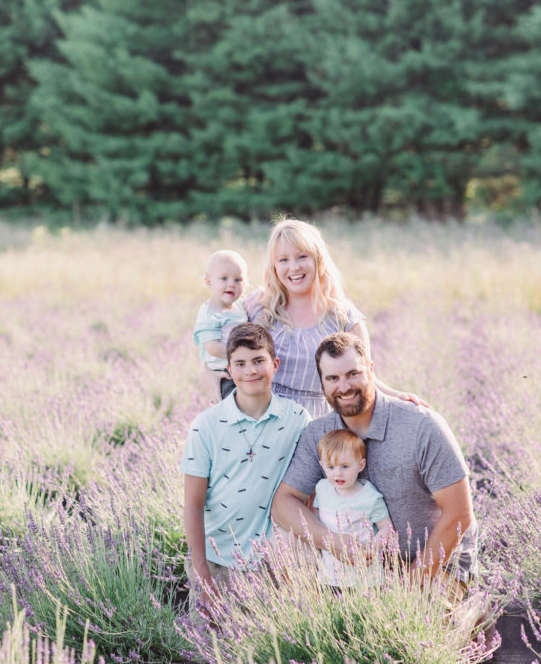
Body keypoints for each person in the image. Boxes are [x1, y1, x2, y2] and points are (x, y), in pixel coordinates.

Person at [272, 332, 477, 604]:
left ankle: (472, 614)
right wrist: (330, 541)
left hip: (430, 561)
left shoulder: (421, 425)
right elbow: (283, 503)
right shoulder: (318, 433)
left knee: (411, 634)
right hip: (353, 566)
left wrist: (416, 581)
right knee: (284, 547)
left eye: (352, 374)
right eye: (332, 378)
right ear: (321, 383)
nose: (343, 387)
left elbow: (459, 513)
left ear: (370, 369)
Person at [180, 323, 311, 620]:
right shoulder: (206, 426)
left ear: (274, 365)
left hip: (274, 563)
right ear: (229, 369)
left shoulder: (297, 420)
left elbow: (308, 493)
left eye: (258, 361)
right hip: (217, 560)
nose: (250, 370)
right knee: (209, 646)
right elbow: (192, 503)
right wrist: (202, 573)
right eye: (240, 363)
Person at [246, 218, 422, 417]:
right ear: (274, 267)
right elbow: (219, 357)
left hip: (317, 423)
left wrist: (397, 396)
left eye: (302, 256)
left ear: (318, 260)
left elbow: (365, 377)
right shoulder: (257, 306)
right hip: (262, 418)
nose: (293, 267)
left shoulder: (343, 316)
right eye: (283, 260)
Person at [313, 428, 395, 588]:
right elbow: (315, 516)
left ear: (360, 465)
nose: (338, 473)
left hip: (366, 576)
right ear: (322, 466)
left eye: (345, 466)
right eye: (330, 467)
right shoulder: (322, 489)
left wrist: (374, 548)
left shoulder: (369, 496)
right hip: (330, 574)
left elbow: (386, 527)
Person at [194, 250, 249, 404]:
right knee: (232, 410)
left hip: (241, 369)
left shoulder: (239, 306)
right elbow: (212, 347)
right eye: (224, 278)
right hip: (224, 375)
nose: (231, 284)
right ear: (209, 282)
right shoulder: (209, 313)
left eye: (238, 280)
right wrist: (243, 356)